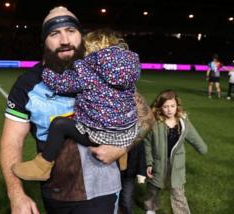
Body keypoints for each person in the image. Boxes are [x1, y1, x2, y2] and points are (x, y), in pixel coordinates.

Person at [0, 6, 154, 214]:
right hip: (56, 193)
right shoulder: (27, 84)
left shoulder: (104, 72)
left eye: (71, 31)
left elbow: (147, 118)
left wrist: (122, 148)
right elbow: (11, 142)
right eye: (55, 33)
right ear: (44, 40)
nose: (65, 40)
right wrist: (16, 194)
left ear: (81, 36)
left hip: (103, 191)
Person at [11, 29, 140, 181]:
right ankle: (123, 156)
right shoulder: (128, 71)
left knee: (59, 125)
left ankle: (42, 166)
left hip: (101, 134)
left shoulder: (89, 72)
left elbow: (60, 84)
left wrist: (46, 69)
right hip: (126, 132)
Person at [143, 89, 208, 214]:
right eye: (165, 106)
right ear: (160, 107)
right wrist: (149, 162)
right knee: (153, 188)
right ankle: (150, 207)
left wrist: (202, 148)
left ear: (177, 106)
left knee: (178, 193)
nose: (169, 109)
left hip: (176, 165)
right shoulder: (155, 123)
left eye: (172, 106)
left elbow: (193, 136)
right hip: (158, 162)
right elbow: (147, 143)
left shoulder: (183, 122)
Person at [118, 142, 146, 214]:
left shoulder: (137, 138)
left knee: (127, 200)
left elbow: (141, 156)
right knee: (114, 201)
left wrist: (141, 174)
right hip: (114, 174)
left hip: (129, 175)